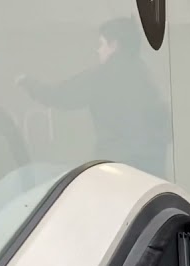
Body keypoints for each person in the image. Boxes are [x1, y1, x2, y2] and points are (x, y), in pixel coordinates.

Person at [17, 18, 171, 178]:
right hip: (151, 174)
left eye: (101, 44)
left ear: (114, 45)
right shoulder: (147, 79)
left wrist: (28, 83)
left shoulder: (103, 76)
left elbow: (61, 95)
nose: (98, 50)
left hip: (118, 170)